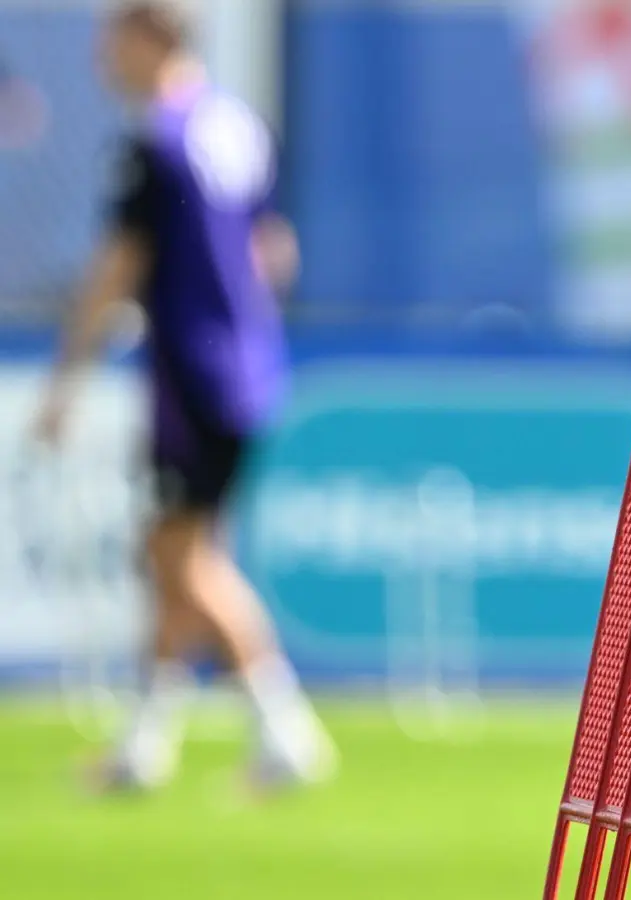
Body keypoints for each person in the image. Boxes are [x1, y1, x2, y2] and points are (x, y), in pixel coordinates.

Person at [31, 1, 332, 792]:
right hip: (249, 366)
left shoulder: (155, 141)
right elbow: (275, 251)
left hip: (194, 376)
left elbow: (118, 264)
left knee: (180, 559)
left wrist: (67, 376)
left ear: (154, 38)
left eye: (114, 37)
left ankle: (285, 728)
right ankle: (144, 743)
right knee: (175, 555)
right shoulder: (236, 127)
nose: (102, 55)